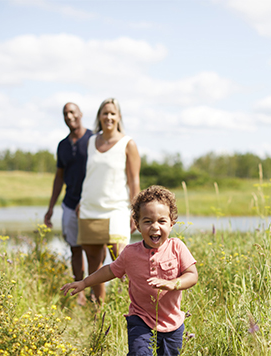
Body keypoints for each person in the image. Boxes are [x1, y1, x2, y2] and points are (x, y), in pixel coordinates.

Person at [62, 185, 198, 356]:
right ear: (137, 225)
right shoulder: (130, 253)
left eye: (162, 221)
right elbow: (110, 270)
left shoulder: (177, 247)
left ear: (171, 224)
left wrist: (173, 283)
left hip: (172, 322)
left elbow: (192, 275)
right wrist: (84, 282)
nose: (155, 227)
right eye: (147, 221)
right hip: (140, 319)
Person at [76, 98, 141, 303]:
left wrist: (136, 211)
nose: (109, 117)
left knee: (122, 261)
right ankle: (99, 312)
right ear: (99, 117)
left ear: (119, 117)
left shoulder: (127, 144)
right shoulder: (90, 142)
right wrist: (80, 201)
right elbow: (89, 174)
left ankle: (138, 307)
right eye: (105, 113)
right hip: (89, 209)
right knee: (94, 264)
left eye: (113, 113)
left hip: (117, 210)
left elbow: (134, 180)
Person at [44, 102, 92, 306]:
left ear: (81, 114)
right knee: (75, 248)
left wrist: (88, 199)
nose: (69, 116)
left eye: (73, 111)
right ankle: (79, 291)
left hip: (91, 204)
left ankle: (96, 294)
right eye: (65, 113)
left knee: (94, 249)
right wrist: (50, 208)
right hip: (69, 204)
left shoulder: (93, 139)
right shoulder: (62, 145)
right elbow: (59, 177)